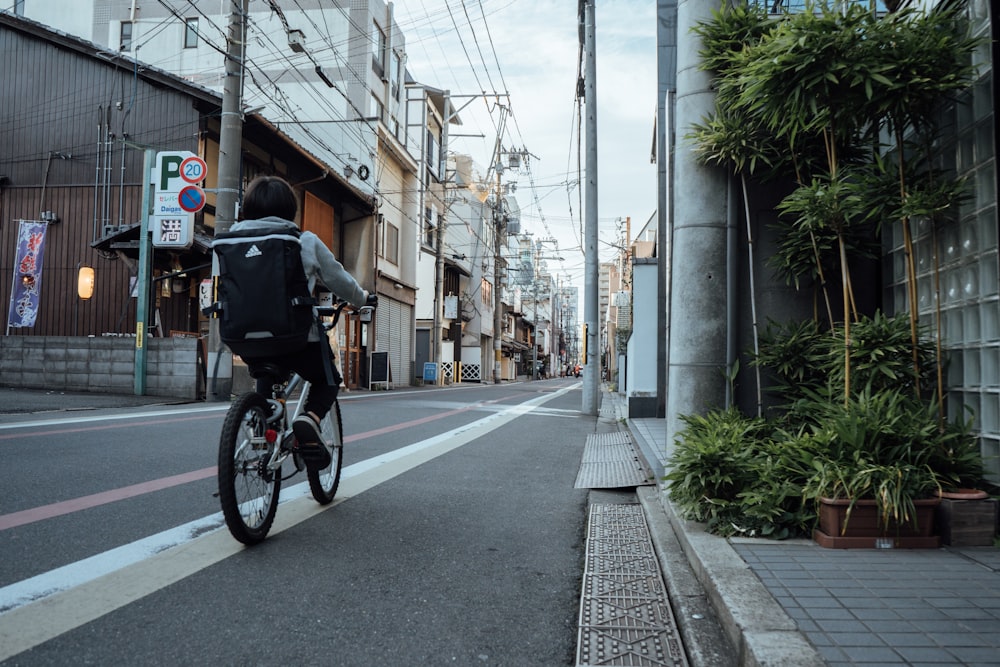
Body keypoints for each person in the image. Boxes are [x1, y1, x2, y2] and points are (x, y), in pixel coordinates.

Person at [232, 175, 375, 467]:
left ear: (247, 208)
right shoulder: (303, 241)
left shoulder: (230, 239)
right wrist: (362, 298)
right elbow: (339, 280)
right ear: (289, 210)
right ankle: (309, 420)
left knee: (266, 374)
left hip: (241, 335)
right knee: (329, 380)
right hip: (295, 337)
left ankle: (261, 432)